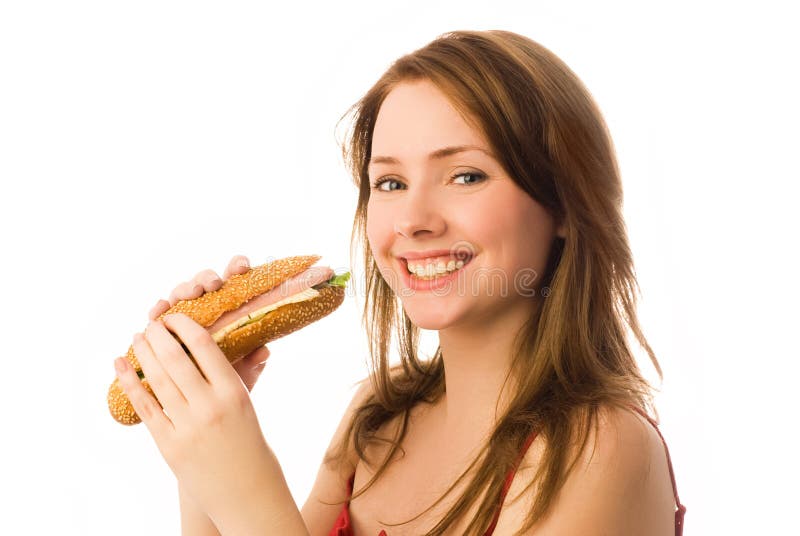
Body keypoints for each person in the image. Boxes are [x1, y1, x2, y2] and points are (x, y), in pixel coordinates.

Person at [117, 29, 686, 535]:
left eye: (466, 175)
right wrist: (197, 447)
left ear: (562, 204)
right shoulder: (378, 416)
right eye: (388, 183)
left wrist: (248, 490)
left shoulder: (601, 450)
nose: (413, 220)